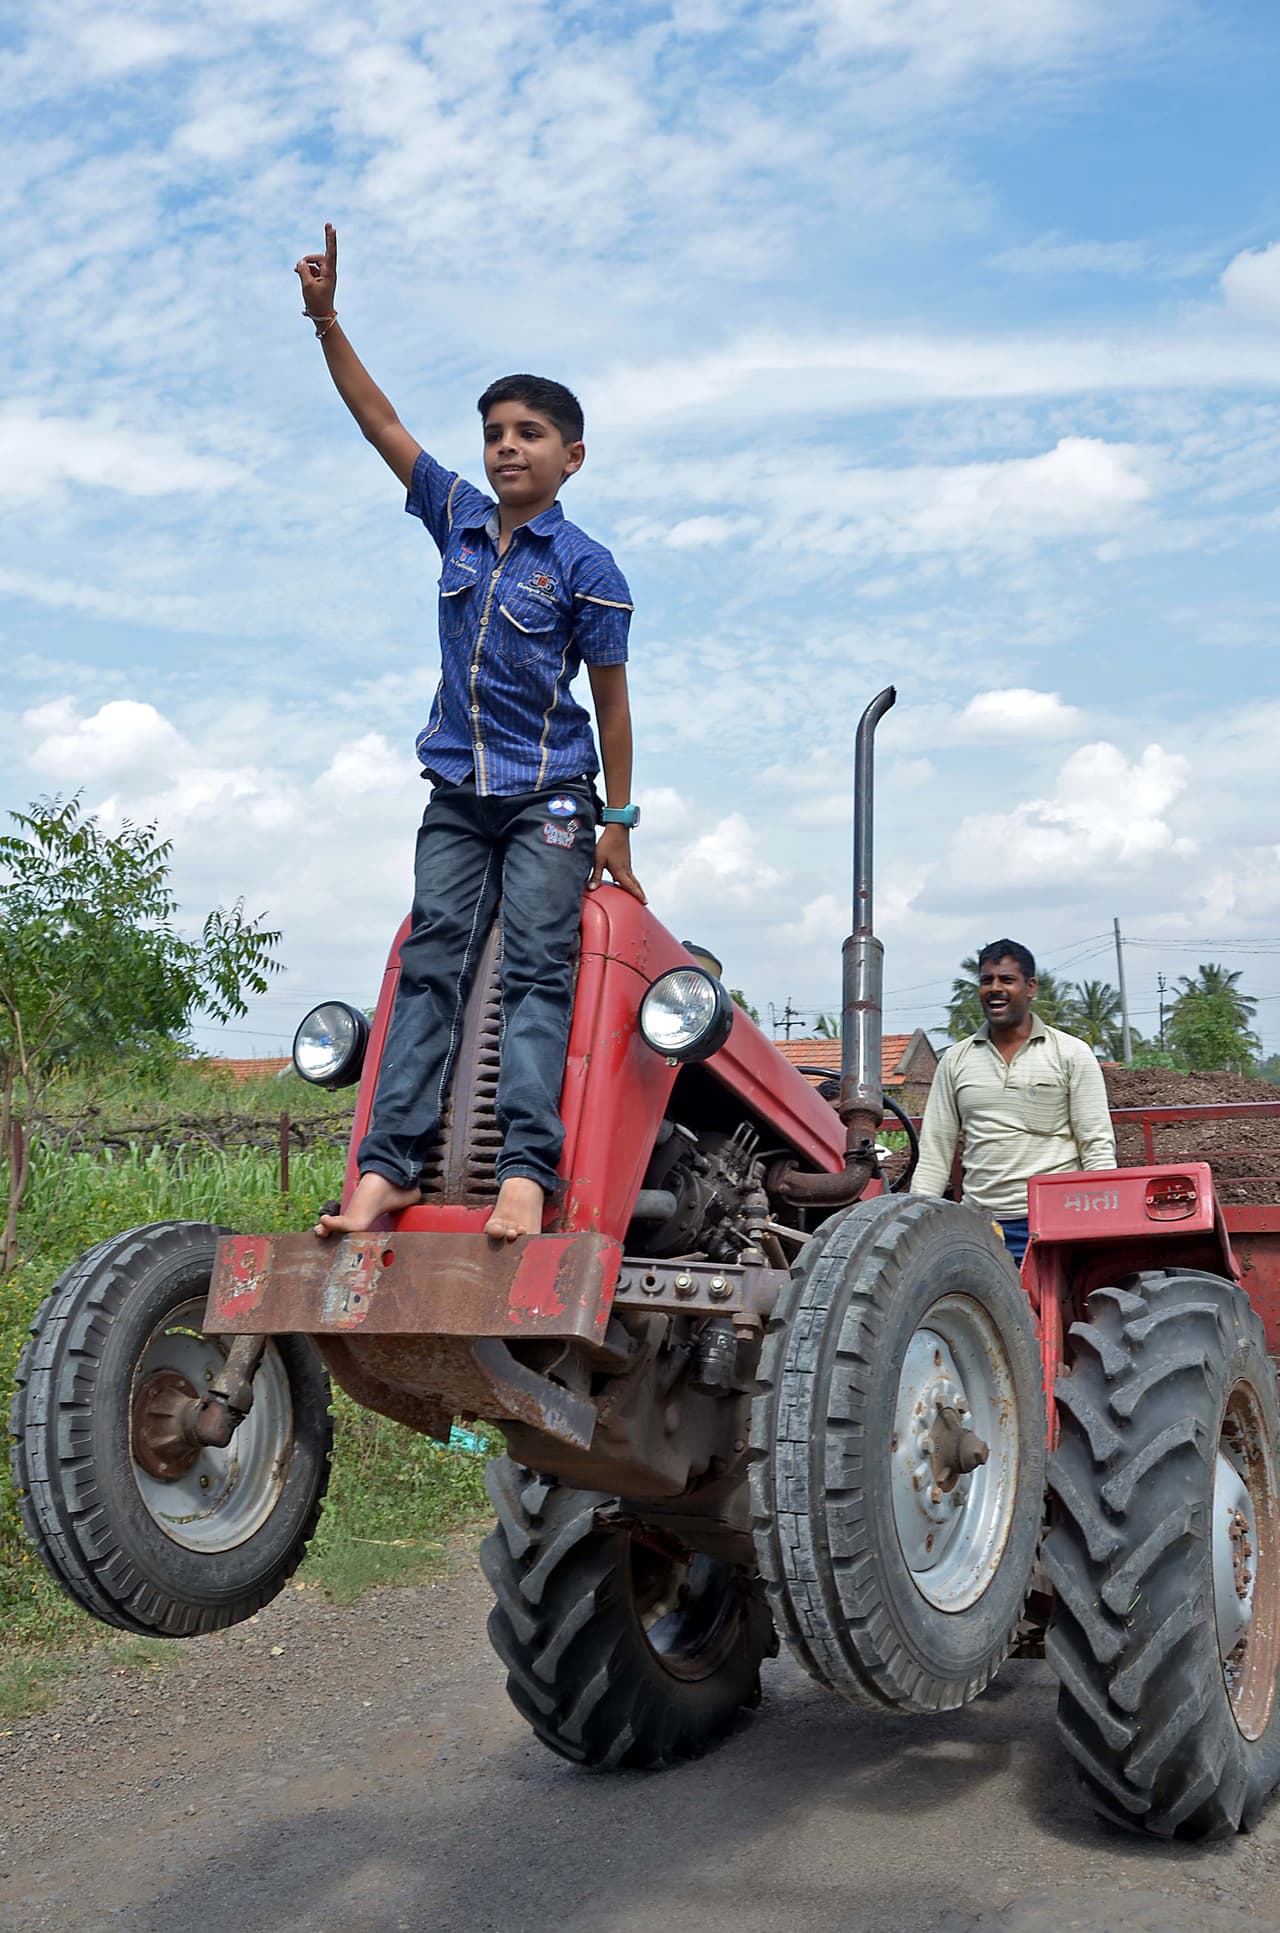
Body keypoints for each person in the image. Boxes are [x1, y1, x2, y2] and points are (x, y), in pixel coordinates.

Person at [295, 224, 644, 1244]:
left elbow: (613, 705)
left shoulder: (587, 568)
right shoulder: (450, 514)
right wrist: (325, 323)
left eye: (529, 432)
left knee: (538, 972)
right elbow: (379, 421)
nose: (505, 445)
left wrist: (615, 824)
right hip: (455, 797)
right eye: (494, 429)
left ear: (570, 457)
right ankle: (387, 1171)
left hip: (549, 798)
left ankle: (524, 1177)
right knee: (429, 965)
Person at [910, 939, 1116, 1264]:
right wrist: (916, 1224)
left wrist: (1102, 1219)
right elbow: (935, 1151)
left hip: (1056, 1222)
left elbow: (1096, 1145)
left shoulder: (1070, 1053)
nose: (995, 989)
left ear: (1030, 987)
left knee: (1062, 1312)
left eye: (1006, 980)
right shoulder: (955, 1060)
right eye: (986, 980)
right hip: (982, 1226)